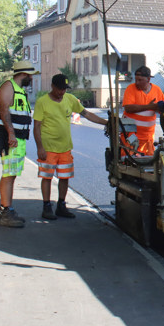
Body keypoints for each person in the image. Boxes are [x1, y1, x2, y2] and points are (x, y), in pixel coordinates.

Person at [32, 73, 107, 220]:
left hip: (65, 147)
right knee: (47, 177)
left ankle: (61, 205)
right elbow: (36, 126)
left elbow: (86, 113)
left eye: (64, 89)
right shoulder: (42, 102)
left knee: (65, 177)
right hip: (48, 148)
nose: (62, 92)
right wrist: (40, 147)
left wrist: (106, 122)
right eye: (59, 89)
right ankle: (46, 206)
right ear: (52, 86)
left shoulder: (70, 99)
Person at [0, 60, 38, 228]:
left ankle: (7, 208)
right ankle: (6, 211)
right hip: (10, 139)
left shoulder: (18, 89)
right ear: (24, 74)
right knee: (9, 174)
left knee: (12, 173)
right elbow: (4, 110)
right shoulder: (8, 87)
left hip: (17, 139)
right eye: (30, 76)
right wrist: (11, 133)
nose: (32, 79)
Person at [121, 65, 164, 156]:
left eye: (140, 80)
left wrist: (158, 108)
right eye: (136, 80)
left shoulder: (157, 90)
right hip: (130, 136)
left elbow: (163, 110)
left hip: (148, 137)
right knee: (129, 162)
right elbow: (128, 108)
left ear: (148, 79)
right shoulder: (131, 88)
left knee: (148, 163)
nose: (137, 83)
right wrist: (149, 106)